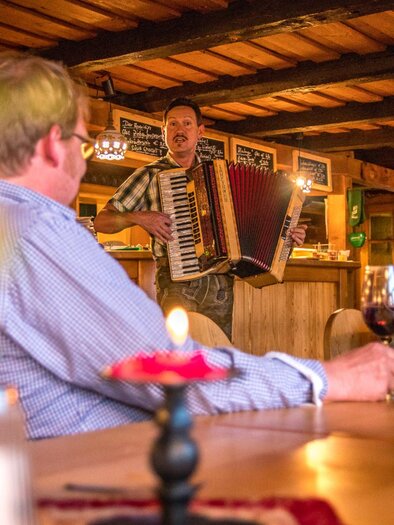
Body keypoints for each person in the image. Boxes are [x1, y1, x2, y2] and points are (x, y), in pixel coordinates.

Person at [0, 53, 392, 441]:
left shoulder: (17, 226)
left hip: (217, 293)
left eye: (187, 123)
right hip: (101, 461)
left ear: (200, 131)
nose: (85, 162)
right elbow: (171, 373)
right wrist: (324, 378)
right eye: (84, 144)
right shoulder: (40, 232)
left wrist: (281, 239)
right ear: (54, 144)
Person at [94, 97, 307, 340]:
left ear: (200, 132)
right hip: (176, 283)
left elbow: (263, 231)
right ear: (164, 133)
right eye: (172, 125)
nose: (179, 130)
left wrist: (288, 237)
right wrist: (139, 217)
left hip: (220, 286)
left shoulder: (220, 176)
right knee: (179, 359)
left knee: (217, 358)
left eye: (186, 123)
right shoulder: (149, 174)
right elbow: (102, 221)